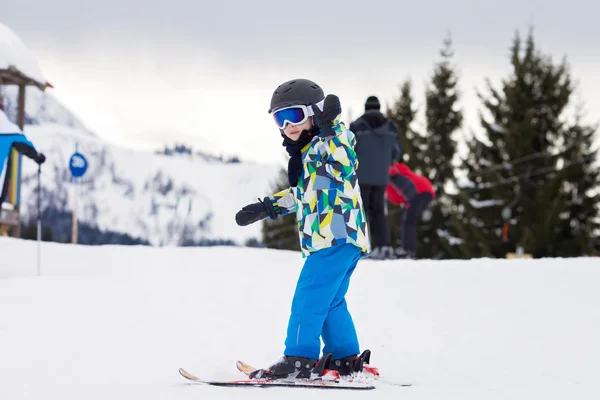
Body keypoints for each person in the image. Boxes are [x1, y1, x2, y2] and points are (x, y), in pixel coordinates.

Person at [234, 78, 372, 380]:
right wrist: (269, 206)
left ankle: (300, 358)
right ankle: (345, 357)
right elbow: (304, 194)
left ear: (314, 112)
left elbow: (346, 164)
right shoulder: (310, 152)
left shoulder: (335, 141)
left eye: (293, 115)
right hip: (337, 238)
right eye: (279, 119)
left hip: (335, 235)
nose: (287, 126)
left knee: (309, 296)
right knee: (331, 300)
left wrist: (329, 128)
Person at [350, 96, 400, 260]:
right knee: (379, 212)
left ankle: (363, 246)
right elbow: (396, 152)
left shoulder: (356, 126)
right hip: (381, 177)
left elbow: (349, 151)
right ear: (379, 108)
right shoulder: (391, 127)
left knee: (361, 212)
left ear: (365, 108)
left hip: (361, 176)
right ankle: (384, 246)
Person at [386, 162, 435, 259]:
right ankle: (407, 249)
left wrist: (385, 171)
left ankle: (408, 250)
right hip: (419, 194)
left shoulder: (395, 168)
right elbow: (397, 199)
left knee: (408, 220)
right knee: (407, 220)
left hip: (419, 190)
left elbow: (402, 169)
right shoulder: (387, 182)